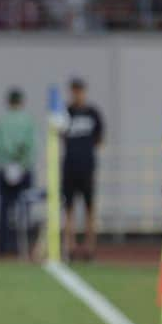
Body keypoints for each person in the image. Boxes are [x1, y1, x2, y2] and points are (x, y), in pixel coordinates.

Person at [62, 78, 104, 261]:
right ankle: (69, 246)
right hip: (69, 167)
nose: (77, 94)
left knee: (90, 209)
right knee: (69, 208)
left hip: (87, 167)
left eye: (80, 91)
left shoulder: (93, 113)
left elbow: (99, 138)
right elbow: (60, 136)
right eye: (74, 91)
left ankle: (90, 248)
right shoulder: (66, 113)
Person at [0, 88, 35, 256]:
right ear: (22, 102)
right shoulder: (28, 122)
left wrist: (7, 162)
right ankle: (21, 245)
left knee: (4, 208)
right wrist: (21, 164)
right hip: (23, 169)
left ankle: (3, 246)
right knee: (24, 208)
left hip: (5, 168)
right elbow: (31, 147)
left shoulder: (0, 122)